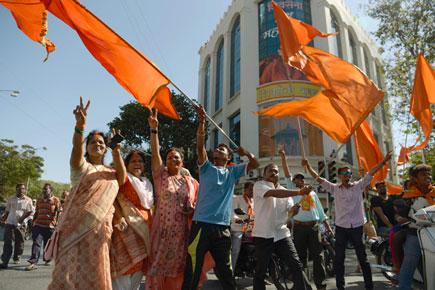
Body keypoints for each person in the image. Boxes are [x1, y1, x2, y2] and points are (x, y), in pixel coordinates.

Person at [48, 97, 125, 289]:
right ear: (87, 146)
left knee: (96, 276)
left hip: (99, 232)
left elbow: (122, 177)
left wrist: (116, 150)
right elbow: (76, 149)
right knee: (66, 275)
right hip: (72, 230)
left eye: (101, 143)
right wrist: (80, 126)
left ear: (106, 147)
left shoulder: (112, 173)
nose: (97, 145)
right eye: (92, 142)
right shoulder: (81, 167)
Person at [182, 105, 259, 290]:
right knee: (192, 269)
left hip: (222, 230)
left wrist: (246, 153)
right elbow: (200, 145)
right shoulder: (206, 167)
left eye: (223, 148)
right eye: (217, 148)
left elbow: (255, 163)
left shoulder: (233, 172)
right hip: (201, 226)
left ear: (228, 156)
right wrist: (201, 122)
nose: (219, 149)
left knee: (225, 271)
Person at [303, 151, 392, 290]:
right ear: (339, 176)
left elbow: (372, 171)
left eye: (349, 173)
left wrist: (384, 161)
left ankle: (369, 286)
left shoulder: (358, 186)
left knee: (363, 259)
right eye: (344, 173)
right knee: (339, 260)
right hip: (341, 228)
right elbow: (318, 178)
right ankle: (340, 287)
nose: (348, 175)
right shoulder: (334, 188)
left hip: (356, 227)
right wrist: (308, 167)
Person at [146, 109, 205, 290]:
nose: (173, 159)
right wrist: (154, 130)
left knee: (180, 271)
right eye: (169, 157)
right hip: (161, 232)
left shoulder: (190, 182)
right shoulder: (160, 177)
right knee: (157, 268)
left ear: (182, 162)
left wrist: (193, 209)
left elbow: (201, 201)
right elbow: (155, 154)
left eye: (176, 157)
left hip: (182, 234)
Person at [252, 163, 313, 290]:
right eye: (270, 171)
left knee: (296, 265)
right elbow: (273, 193)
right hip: (263, 234)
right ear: (264, 174)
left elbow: (290, 212)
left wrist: (294, 210)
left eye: (276, 171)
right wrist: (299, 192)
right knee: (260, 271)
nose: (273, 173)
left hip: (281, 234)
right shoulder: (259, 185)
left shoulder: (286, 192)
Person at [110, 150, 154, 290]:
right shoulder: (124, 179)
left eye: (140, 161)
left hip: (144, 235)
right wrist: (116, 151)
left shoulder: (147, 183)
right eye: (133, 161)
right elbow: (113, 201)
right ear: (126, 165)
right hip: (126, 233)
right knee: (123, 272)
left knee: (138, 271)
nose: (137, 164)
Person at [398, 164, 434, 290]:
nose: (428, 176)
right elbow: (400, 214)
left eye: (429, 173)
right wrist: (403, 218)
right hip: (415, 233)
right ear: (415, 179)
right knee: (409, 263)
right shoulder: (408, 195)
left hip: (433, 233)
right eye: (423, 174)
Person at [26, 183, 61, 270]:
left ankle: (47, 258)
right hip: (38, 225)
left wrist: (57, 224)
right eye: (43, 189)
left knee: (47, 244)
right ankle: (33, 262)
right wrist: (33, 223)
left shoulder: (56, 200)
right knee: (36, 243)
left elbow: (58, 212)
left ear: (51, 190)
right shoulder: (39, 200)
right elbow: (37, 212)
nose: (44, 191)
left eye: (46, 189)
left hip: (50, 227)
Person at [0, 183, 33, 269]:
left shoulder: (28, 200)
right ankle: (5, 261)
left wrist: (22, 218)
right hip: (10, 222)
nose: (21, 190)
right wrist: (3, 219)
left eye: (23, 189)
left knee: (19, 242)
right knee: (7, 242)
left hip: (21, 224)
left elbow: (29, 211)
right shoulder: (11, 199)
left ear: (25, 190)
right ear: (16, 189)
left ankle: (17, 256)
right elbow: (7, 211)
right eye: (19, 189)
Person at [231, 181, 254, 271]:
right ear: (245, 189)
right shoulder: (237, 199)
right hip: (238, 228)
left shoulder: (254, 201)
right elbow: (232, 214)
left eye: (254, 190)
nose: (252, 192)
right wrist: (241, 220)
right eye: (250, 189)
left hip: (251, 229)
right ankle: (230, 273)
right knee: (235, 250)